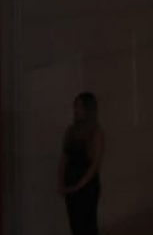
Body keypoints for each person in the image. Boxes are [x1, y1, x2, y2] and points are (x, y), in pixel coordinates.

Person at [58, 91, 104, 235]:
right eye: (75, 106)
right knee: (75, 225)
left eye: (80, 106)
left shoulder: (96, 132)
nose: (76, 110)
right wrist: (61, 182)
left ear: (88, 109)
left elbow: (95, 164)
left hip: (87, 186)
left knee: (88, 225)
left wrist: (79, 185)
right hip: (71, 182)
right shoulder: (70, 131)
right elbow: (64, 158)